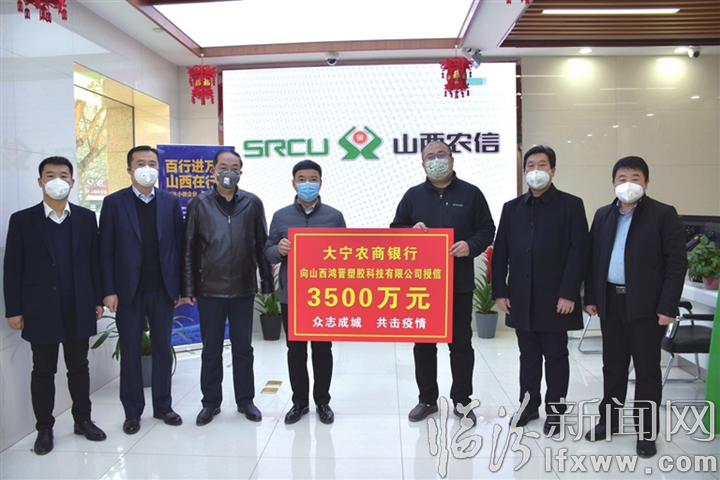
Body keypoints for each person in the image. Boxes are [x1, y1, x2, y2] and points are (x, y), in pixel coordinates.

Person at [584, 156, 686, 459]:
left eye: (635, 178)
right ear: (613, 182)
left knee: (647, 371)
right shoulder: (603, 215)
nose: (628, 183)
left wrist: (668, 306)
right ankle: (609, 421)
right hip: (610, 302)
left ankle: (646, 433)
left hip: (647, 306)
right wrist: (591, 297)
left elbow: (676, 264)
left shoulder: (663, 214)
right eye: (622, 178)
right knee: (613, 367)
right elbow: (592, 260)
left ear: (646, 182)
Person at [3, 156, 106, 455]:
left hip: (79, 306)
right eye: (50, 175)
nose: (57, 180)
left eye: (63, 175)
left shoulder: (86, 218)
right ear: (40, 181)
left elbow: (94, 262)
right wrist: (14, 309)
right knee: (43, 370)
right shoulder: (22, 220)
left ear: (72, 182)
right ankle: (44, 429)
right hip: (40, 308)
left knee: (79, 367)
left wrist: (98, 299)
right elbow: (13, 268)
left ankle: (83, 421)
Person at [390, 140, 495, 424]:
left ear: (452, 159)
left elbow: (487, 229)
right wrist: (411, 231)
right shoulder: (413, 195)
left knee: (460, 344)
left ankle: (462, 401)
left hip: (458, 283)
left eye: (441, 155)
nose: (436, 160)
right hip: (422, 287)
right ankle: (427, 399)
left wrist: (470, 245)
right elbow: (396, 229)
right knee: (424, 344)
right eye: (430, 157)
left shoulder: (471, 194)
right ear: (422, 164)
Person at [491, 145, 589, 436]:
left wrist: (569, 293)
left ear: (553, 170)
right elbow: (501, 252)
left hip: (557, 298)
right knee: (528, 355)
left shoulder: (571, 205)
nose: (536, 170)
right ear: (524, 172)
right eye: (530, 165)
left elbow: (579, 253)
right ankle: (529, 406)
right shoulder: (512, 208)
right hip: (521, 297)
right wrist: (500, 291)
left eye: (542, 165)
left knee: (556, 356)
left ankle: (555, 412)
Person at [182, 149, 274, 426]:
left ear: (241, 173)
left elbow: (261, 245)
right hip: (209, 289)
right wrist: (188, 288)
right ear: (213, 171)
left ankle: (246, 401)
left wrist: (267, 283)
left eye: (234, 167)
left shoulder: (252, 203)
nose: (228, 172)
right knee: (211, 350)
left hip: (243, 288)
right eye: (223, 166)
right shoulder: (199, 204)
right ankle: (210, 403)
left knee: (243, 349)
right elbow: (188, 249)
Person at [99, 145, 185, 435]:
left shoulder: (170, 202)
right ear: (129, 169)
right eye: (140, 163)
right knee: (131, 352)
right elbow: (105, 250)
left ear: (158, 168)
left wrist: (180, 287)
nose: (147, 168)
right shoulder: (114, 203)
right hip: (128, 292)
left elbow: (179, 247)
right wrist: (108, 290)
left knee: (162, 350)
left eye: (152, 163)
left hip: (162, 290)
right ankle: (132, 412)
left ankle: (163, 406)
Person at [264, 160, 346, 425]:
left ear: (320, 183)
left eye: (313, 179)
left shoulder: (334, 217)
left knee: (323, 350)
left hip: (324, 297)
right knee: (295, 350)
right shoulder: (281, 216)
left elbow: (347, 254)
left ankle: (323, 401)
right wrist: (279, 250)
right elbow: (268, 251)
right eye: (302, 179)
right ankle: (299, 402)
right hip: (293, 297)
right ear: (293, 183)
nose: (307, 184)